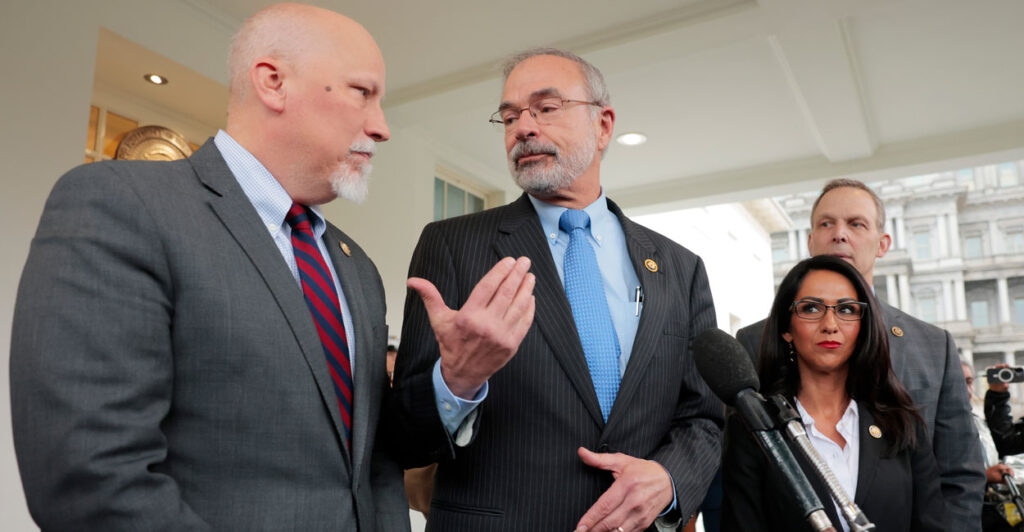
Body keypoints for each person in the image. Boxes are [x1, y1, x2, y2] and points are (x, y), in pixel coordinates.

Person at [10, 4, 535, 530]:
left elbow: (373, 456)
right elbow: (91, 478)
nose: (381, 128)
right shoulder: (123, 206)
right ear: (273, 82)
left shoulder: (357, 270)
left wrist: (460, 375)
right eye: (362, 93)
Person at [387, 48, 722, 531]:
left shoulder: (680, 268)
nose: (523, 128)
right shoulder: (452, 246)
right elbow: (405, 436)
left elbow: (704, 419)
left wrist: (669, 480)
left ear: (604, 126)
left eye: (546, 108)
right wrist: (455, 382)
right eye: (508, 116)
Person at [736, 178, 985, 531]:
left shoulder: (933, 346)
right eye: (826, 223)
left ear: (883, 243)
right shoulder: (753, 342)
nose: (839, 234)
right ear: (810, 241)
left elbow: (961, 476)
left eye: (856, 224)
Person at [722, 255, 947, 531]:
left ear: (863, 325)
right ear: (786, 329)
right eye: (812, 308)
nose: (830, 324)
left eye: (847, 310)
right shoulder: (756, 429)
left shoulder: (901, 420)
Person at [962, 360, 1024, 531]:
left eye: (969, 382)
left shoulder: (975, 420)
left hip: (993, 509)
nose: (966, 391)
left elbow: (1005, 442)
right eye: (958, 382)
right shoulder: (931, 426)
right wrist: (984, 476)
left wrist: (998, 395)